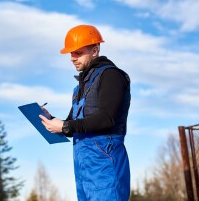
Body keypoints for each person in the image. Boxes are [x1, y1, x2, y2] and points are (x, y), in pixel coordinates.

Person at [39, 25, 131, 200]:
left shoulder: (111, 76)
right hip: (83, 166)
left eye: (78, 52)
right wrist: (49, 119)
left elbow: (107, 117)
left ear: (95, 50)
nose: (72, 58)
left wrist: (66, 125)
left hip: (105, 162)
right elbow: (71, 126)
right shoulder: (79, 87)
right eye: (71, 54)